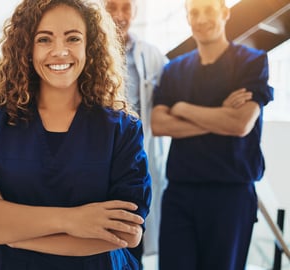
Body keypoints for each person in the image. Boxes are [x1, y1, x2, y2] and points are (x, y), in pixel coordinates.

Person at [0, 0, 152, 269]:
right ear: (26, 48)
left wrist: (11, 233)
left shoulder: (122, 129)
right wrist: (72, 220)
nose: (60, 51)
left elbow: (126, 233)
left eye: (73, 38)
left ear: (90, 46)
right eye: (44, 39)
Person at [151, 0, 274, 269]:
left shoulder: (251, 62)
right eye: (194, 13)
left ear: (225, 13)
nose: (201, 18)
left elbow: (241, 124)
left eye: (209, 10)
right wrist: (220, 115)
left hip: (230, 194)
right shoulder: (174, 69)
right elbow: (159, 124)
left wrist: (182, 109)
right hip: (180, 194)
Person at [105, 0, 169, 265]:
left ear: (135, 11)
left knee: (131, 239)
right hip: (98, 158)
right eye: (112, 6)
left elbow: (172, 98)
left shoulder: (150, 55)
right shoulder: (85, 49)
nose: (120, 15)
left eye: (126, 7)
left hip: (132, 162)